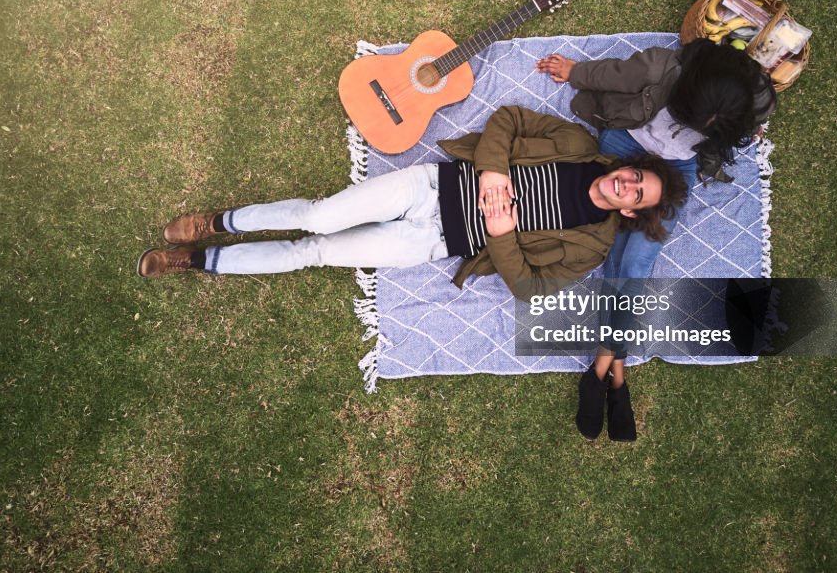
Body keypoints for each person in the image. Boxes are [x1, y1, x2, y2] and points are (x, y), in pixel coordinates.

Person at [138, 105, 687, 303]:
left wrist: (499, 231)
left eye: (638, 196)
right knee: (318, 215)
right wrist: (493, 169)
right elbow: (510, 118)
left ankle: (200, 261)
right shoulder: (576, 145)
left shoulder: (592, 246)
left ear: (633, 212)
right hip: (430, 187)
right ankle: (217, 222)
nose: (628, 187)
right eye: (635, 176)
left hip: (433, 241)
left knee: (317, 251)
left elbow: (529, 289)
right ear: (627, 166)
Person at [537, 38, 776, 441]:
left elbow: (754, 118)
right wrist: (575, 71)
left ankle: (603, 366)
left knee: (635, 262)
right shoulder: (661, 68)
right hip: (628, 143)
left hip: (678, 167)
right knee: (616, 246)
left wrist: (744, 130)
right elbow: (614, 74)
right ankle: (615, 375)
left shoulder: (752, 99)